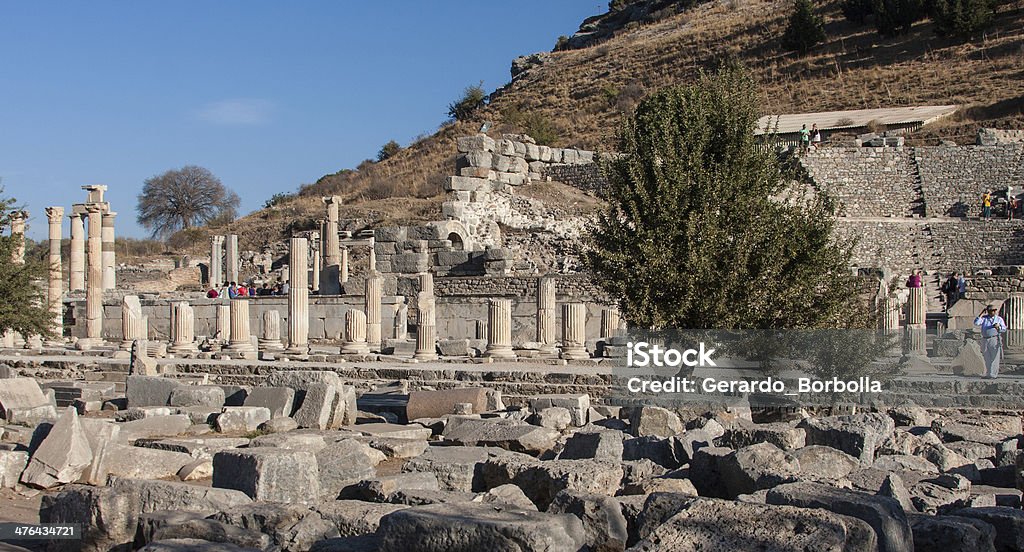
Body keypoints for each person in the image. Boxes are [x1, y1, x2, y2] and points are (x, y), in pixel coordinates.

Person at [974, 304, 1007, 379]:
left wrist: (999, 327)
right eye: (989, 311)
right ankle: (988, 373)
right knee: (987, 357)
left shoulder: (999, 319)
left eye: (992, 311)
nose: (991, 312)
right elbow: (976, 323)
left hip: (994, 338)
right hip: (985, 339)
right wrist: (981, 313)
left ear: (995, 311)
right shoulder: (984, 318)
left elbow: (1004, 329)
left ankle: (993, 374)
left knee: (994, 357)